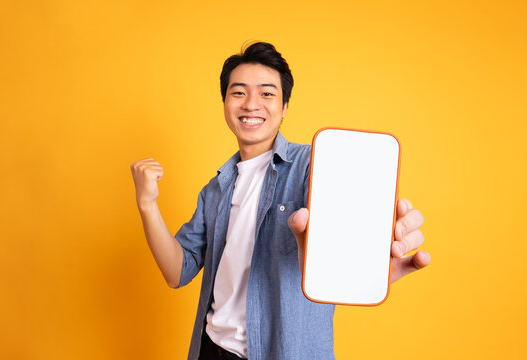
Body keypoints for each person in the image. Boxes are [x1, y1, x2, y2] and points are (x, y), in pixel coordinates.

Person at [130, 42, 430, 360]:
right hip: (212, 348)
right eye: (239, 92)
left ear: (285, 106)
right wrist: (147, 205)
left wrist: (361, 263)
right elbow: (177, 272)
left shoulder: (314, 165)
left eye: (267, 93)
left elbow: (344, 234)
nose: (251, 104)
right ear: (225, 103)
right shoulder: (215, 188)